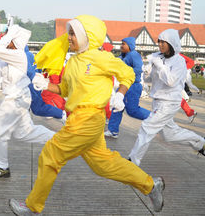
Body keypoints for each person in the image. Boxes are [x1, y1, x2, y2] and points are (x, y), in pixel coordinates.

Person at [9, 15, 165, 215]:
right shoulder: (73, 62)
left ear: (87, 36)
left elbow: (128, 74)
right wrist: (45, 84)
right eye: (70, 32)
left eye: (74, 33)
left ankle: (32, 206)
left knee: (51, 154)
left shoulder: (101, 58)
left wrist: (120, 93)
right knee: (104, 165)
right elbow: (64, 89)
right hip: (78, 119)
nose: (70, 37)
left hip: (89, 118)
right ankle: (151, 185)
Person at [128, 29, 205, 166]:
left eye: (164, 42)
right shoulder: (159, 58)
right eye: (159, 42)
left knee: (147, 127)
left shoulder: (179, 61)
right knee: (169, 135)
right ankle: (200, 142)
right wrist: (147, 72)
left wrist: (159, 66)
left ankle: (133, 160)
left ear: (172, 43)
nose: (160, 45)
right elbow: (150, 80)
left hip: (169, 102)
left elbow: (171, 81)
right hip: (157, 101)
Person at [0, 25, 55, 178]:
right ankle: (59, 139)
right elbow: (11, 77)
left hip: (16, 99)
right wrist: (1, 85)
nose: (5, 39)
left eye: (9, 37)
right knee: (24, 132)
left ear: (14, 40)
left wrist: (9, 34)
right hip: (18, 97)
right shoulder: (14, 55)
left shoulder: (18, 54)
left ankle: (0, 166)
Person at [104, 37, 150, 138]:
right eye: (121, 43)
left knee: (132, 111)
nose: (121, 46)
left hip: (133, 86)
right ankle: (113, 131)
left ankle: (154, 118)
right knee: (117, 106)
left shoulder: (134, 55)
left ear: (130, 46)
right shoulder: (123, 56)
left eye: (124, 44)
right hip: (124, 85)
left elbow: (138, 69)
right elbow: (114, 64)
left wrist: (126, 73)